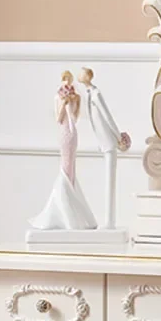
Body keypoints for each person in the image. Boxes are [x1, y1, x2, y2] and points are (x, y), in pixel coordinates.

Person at [29, 71, 97, 231]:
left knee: (72, 167)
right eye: (64, 80)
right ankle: (62, 207)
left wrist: (73, 101)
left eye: (69, 80)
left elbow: (75, 117)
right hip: (64, 132)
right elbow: (59, 119)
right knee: (65, 166)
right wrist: (64, 103)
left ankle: (72, 205)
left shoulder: (77, 97)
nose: (66, 82)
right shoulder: (57, 97)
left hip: (73, 133)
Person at [78, 67, 131, 230]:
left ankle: (110, 222)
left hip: (109, 141)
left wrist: (118, 137)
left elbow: (107, 116)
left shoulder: (96, 94)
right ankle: (109, 220)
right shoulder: (89, 93)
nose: (79, 76)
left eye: (81, 73)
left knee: (110, 180)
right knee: (108, 179)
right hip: (103, 141)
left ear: (86, 77)